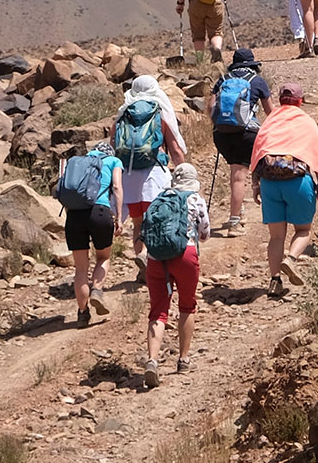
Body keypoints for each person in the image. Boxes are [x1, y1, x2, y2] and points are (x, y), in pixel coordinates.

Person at [249, 82, 318, 297]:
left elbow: (259, 150)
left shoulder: (270, 120)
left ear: (281, 100)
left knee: (276, 237)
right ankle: (291, 259)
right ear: (300, 101)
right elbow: (315, 154)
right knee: (303, 230)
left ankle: (275, 281)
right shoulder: (306, 121)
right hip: (298, 181)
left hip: (269, 183)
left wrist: (256, 184)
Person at [139, 162, 211, 386]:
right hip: (186, 255)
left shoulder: (159, 200)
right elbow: (205, 233)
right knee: (187, 305)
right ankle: (183, 359)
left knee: (158, 311)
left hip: (156, 258)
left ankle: (152, 360)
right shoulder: (195, 199)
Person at [114, 74, 187, 270]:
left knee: (138, 222)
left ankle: (142, 261)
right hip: (154, 175)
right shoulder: (159, 111)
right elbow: (175, 148)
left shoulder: (124, 112)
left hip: (128, 176)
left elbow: (113, 144)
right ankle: (152, 261)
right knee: (156, 221)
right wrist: (183, 173)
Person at [57, 139, 123, 326]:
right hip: (100, 213)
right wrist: (119, 216)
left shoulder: (76, 162)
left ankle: (82, 313)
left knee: (80, 268)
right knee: (103, 257)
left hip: (74, 216)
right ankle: (97, 290)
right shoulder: (113, 161)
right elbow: (117, 187)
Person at [208, 47, 271, 235]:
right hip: (246, 133)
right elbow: (271, 112)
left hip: (221, 134)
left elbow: (211, 106)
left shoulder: (223, 80)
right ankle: (234, 222)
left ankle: (239, 211)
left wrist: (220, 124)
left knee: (235, 173)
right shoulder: (257, 81)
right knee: (239, 177)